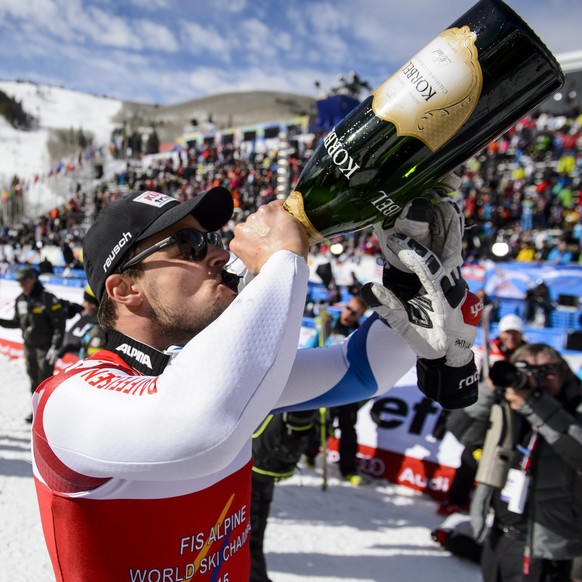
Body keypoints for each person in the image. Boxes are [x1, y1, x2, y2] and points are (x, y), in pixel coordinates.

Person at [30, 187, 480, 581]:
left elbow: (360, 369)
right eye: (189, 246)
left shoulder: (207, 381)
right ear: (124, 290)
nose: (219, 253)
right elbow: (201, 428)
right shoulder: (67, 401)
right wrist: (283, 259)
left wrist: (410, 294)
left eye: (210, 240)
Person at [470, 343, 582, 582]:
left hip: (546, 550)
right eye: (526, 369)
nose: (535, 378)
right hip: (499, 539)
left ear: (564, 372)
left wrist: (536, 404)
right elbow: (462, 431)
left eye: (546, 370)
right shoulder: (508, 404)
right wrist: (489, 391)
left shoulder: (576, 406)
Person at [437, 314, 528, 516]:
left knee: (504, 461)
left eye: (515, 333)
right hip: (484, 414)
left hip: (512, 417)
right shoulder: (485, 352)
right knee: (470, 456)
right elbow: (467, 375)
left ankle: (494, 506)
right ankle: (456, 500)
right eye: (507, 332)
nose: (510, 337)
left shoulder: (527, 356)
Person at [304, 296, 369, 485]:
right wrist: (320, 329)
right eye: (348, 308)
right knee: (320, 422)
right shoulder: (329, 325)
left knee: (348, 428)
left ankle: (348, 469)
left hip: (348, 387)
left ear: (361, 315)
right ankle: (310, 453)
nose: (348, 313)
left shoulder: (360, 333)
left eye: (354, 312)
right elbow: (311, 347)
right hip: (325, 382)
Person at [250, 410, 317, 582]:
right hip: (263, 459)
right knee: (250, 532)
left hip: (260, 460)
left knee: (249, 534)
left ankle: (255, 577)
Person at [0, 266, 66, 422]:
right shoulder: (20, 300)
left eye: (24, 281)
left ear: (32, 279)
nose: (21, 285)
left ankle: (47, 412)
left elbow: (59, 324)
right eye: (19, 283)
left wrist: (55, 346)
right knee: (33, 379)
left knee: (44, 380)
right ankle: (36, 410)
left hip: (45, 347)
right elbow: (16, 322)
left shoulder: (47, 298)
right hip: (29, 346)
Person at [56, 285, 105, 360]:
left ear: (93, 305)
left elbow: (93, 357)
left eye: (85, 301)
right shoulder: (88, 315)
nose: (82, 304)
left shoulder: (98, 326)